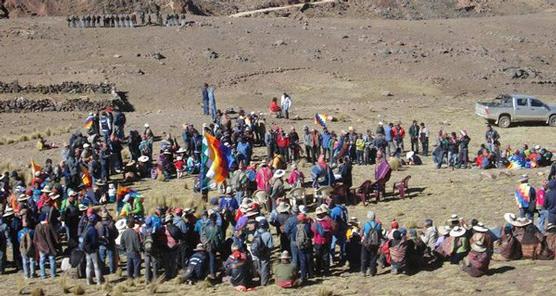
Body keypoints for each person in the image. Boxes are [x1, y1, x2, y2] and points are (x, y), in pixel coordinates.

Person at [33, 213, 60, 279]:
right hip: (50, 246)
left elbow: (35, 239)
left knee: (42, 261)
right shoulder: (49, 225)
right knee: (52, 259)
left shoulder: (37, 226)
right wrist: (57, 241)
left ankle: (43, 275)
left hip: (41, 246)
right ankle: (53, 274)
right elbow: (55, 236)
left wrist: (37, 245)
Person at [251, 217, 273, 286]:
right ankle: (264, 282)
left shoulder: (256, 232)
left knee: (259, 266)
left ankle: (261, 278)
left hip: (256, 252)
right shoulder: (268, 234)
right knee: (265, 267)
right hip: (265, 253)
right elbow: (270, 246)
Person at [82, 215, 102, 285]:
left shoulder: (86, 228)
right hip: (92, 250)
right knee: (96, 265)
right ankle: (99, 281)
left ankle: (88, 281)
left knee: (88, 265)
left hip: (86, 249)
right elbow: (94, 242)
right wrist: (97, 246)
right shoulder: (93, 230)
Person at [360, 211, 382, 276]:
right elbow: (380, 234)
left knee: (364, 257)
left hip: (366, 243)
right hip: (375, 243)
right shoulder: (378, 224)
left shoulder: (366, 224)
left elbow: (361, 234)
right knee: (373, 257)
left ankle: (363, 271)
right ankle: (372, 272)